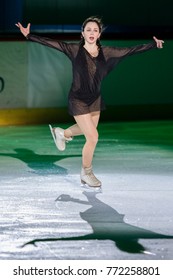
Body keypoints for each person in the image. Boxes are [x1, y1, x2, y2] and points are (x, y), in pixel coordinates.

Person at [16, 16, 164, 189]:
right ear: (82, 33)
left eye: (95, 30)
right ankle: (86, 172)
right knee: (93, 137)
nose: (92, 32)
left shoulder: (107, 53)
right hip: (78, 99)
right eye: (88, 30)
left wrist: (152, 45)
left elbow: (130, 50)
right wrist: (29, 36)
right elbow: (52, 43)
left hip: (95, 99)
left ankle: (62, 133)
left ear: (99, 34)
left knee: (88, 131)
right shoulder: (73, 50)